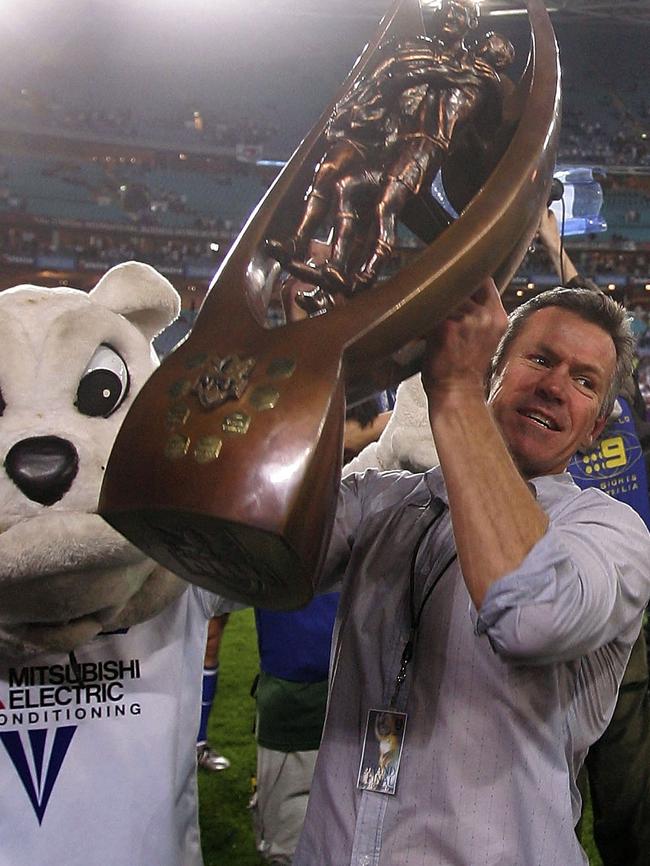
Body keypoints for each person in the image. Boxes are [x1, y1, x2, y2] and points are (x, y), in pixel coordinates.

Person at [293, 280, 650, 866]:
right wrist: (308, 358)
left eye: (585, 381)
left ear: (594, 427)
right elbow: (244, 555)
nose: (556, 386)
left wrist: (454, 391)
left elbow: (532, 613)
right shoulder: (379, 502)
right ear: (495, 370)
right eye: (539, 358)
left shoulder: (611, 535)